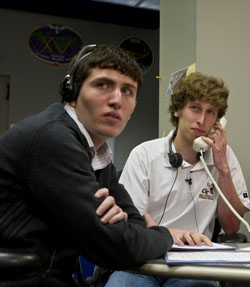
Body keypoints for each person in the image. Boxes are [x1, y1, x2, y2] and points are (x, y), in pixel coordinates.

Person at [0, 44, 173, 286]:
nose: (116, 100)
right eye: (103, 85)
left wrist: (129, 230)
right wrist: (163, 235)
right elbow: (116, 247)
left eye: (127, 91)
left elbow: (133, 222)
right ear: (72, 92)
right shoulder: (53, 138)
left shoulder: (98, 152)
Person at [106, 72, 250, 287]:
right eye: (195, 108)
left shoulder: (224, 157)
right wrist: (168, 234)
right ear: (177, 110)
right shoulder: (145, 154)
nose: (202, 120)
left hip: (193, 266)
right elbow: (131, 218)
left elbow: (231, 227)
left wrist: (223, 168)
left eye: (210, 112)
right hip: (143, 261)